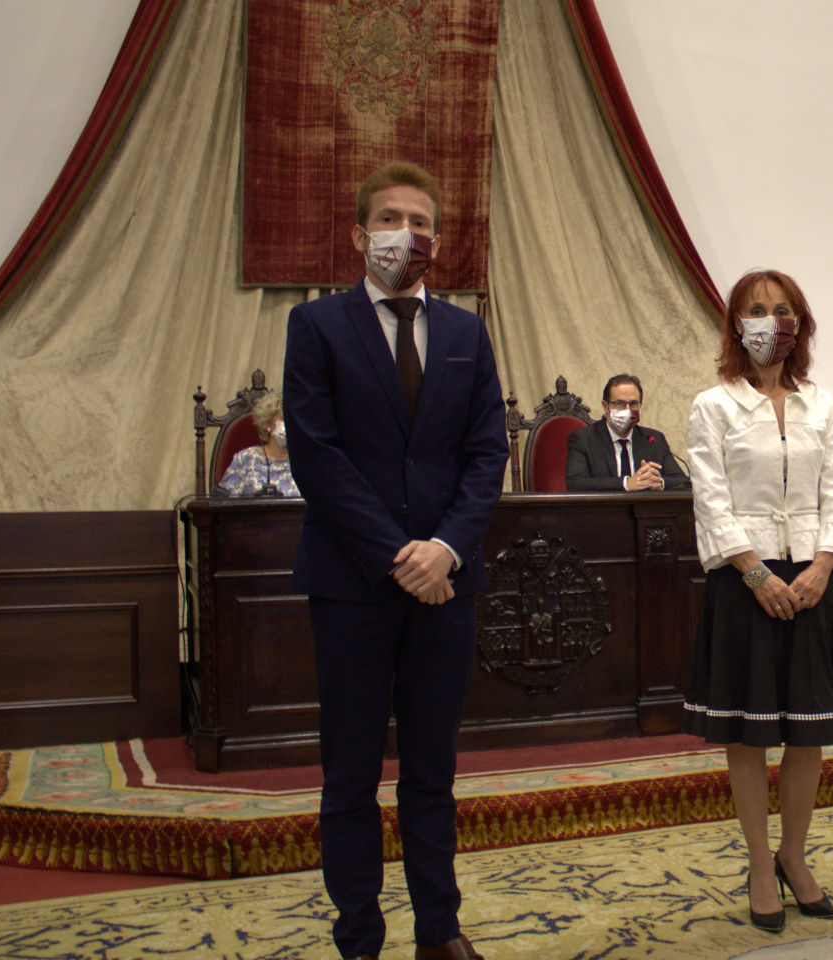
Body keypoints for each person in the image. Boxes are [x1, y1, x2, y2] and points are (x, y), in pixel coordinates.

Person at [283, 161, 508, 960]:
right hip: (352, 584)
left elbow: (487, 454)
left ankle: (439, 931)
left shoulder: (465, 334)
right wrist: (395, 554)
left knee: (432, 771)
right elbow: (317, 456)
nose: (403, 234)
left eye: (419, 222)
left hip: (447, 584)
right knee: (350, 774)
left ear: (436, 243)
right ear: (358, 235)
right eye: (388, 219)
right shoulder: (316, 326)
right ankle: (359, 938)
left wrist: (444, 549)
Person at [682, 269, 833, 934]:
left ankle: (794, 855)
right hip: (744, 581)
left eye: (783, 310)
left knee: (809, 730)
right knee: (750, 731)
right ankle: (761, 863)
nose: (770, 321)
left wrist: (822, 566)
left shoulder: (822, 405)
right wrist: (755, 573)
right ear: (736, 324)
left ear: (799, 324)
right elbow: (710, 496)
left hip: (812, 578)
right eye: (757, 310)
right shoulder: (713, 405)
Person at [564, 374, 690, 491]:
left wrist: (658, 483)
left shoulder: (654, 439)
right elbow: (575, 483)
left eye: (633, 404)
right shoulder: (583, 439)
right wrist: (627, 483)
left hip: (645, 508)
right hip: (604, 508)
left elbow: (682, 480)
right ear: (605, 406)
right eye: (620, 403)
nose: (628, 410)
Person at [217, 389, 299, 497]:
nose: (290, 424)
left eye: (292, 420)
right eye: (284, 419)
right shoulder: (245, 458)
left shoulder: (304, 460)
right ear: (267, 424)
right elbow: (225, 501)